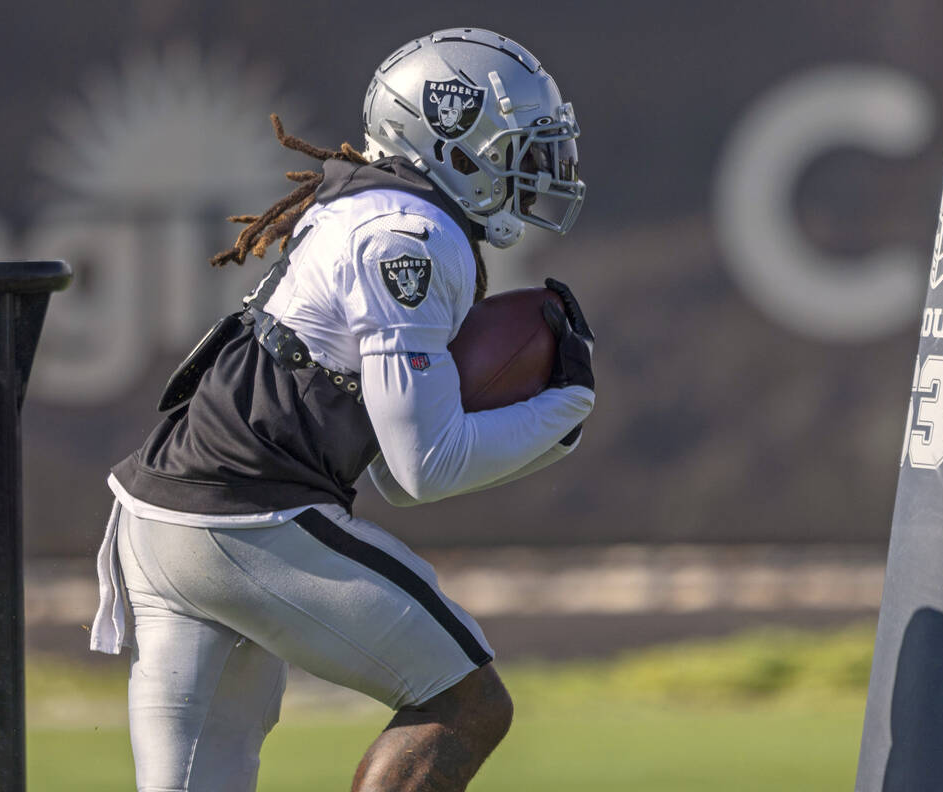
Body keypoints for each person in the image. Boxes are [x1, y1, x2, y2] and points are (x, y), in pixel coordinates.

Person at [91, 27, 595, 792]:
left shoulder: (369, 209)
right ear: (455, 142)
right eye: (520, 144)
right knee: (465, 701)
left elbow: (393, 469)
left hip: (161, 520)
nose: (538, 165)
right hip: (245, 523)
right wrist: (564, 409)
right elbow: (424, 467)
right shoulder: (410, 237)